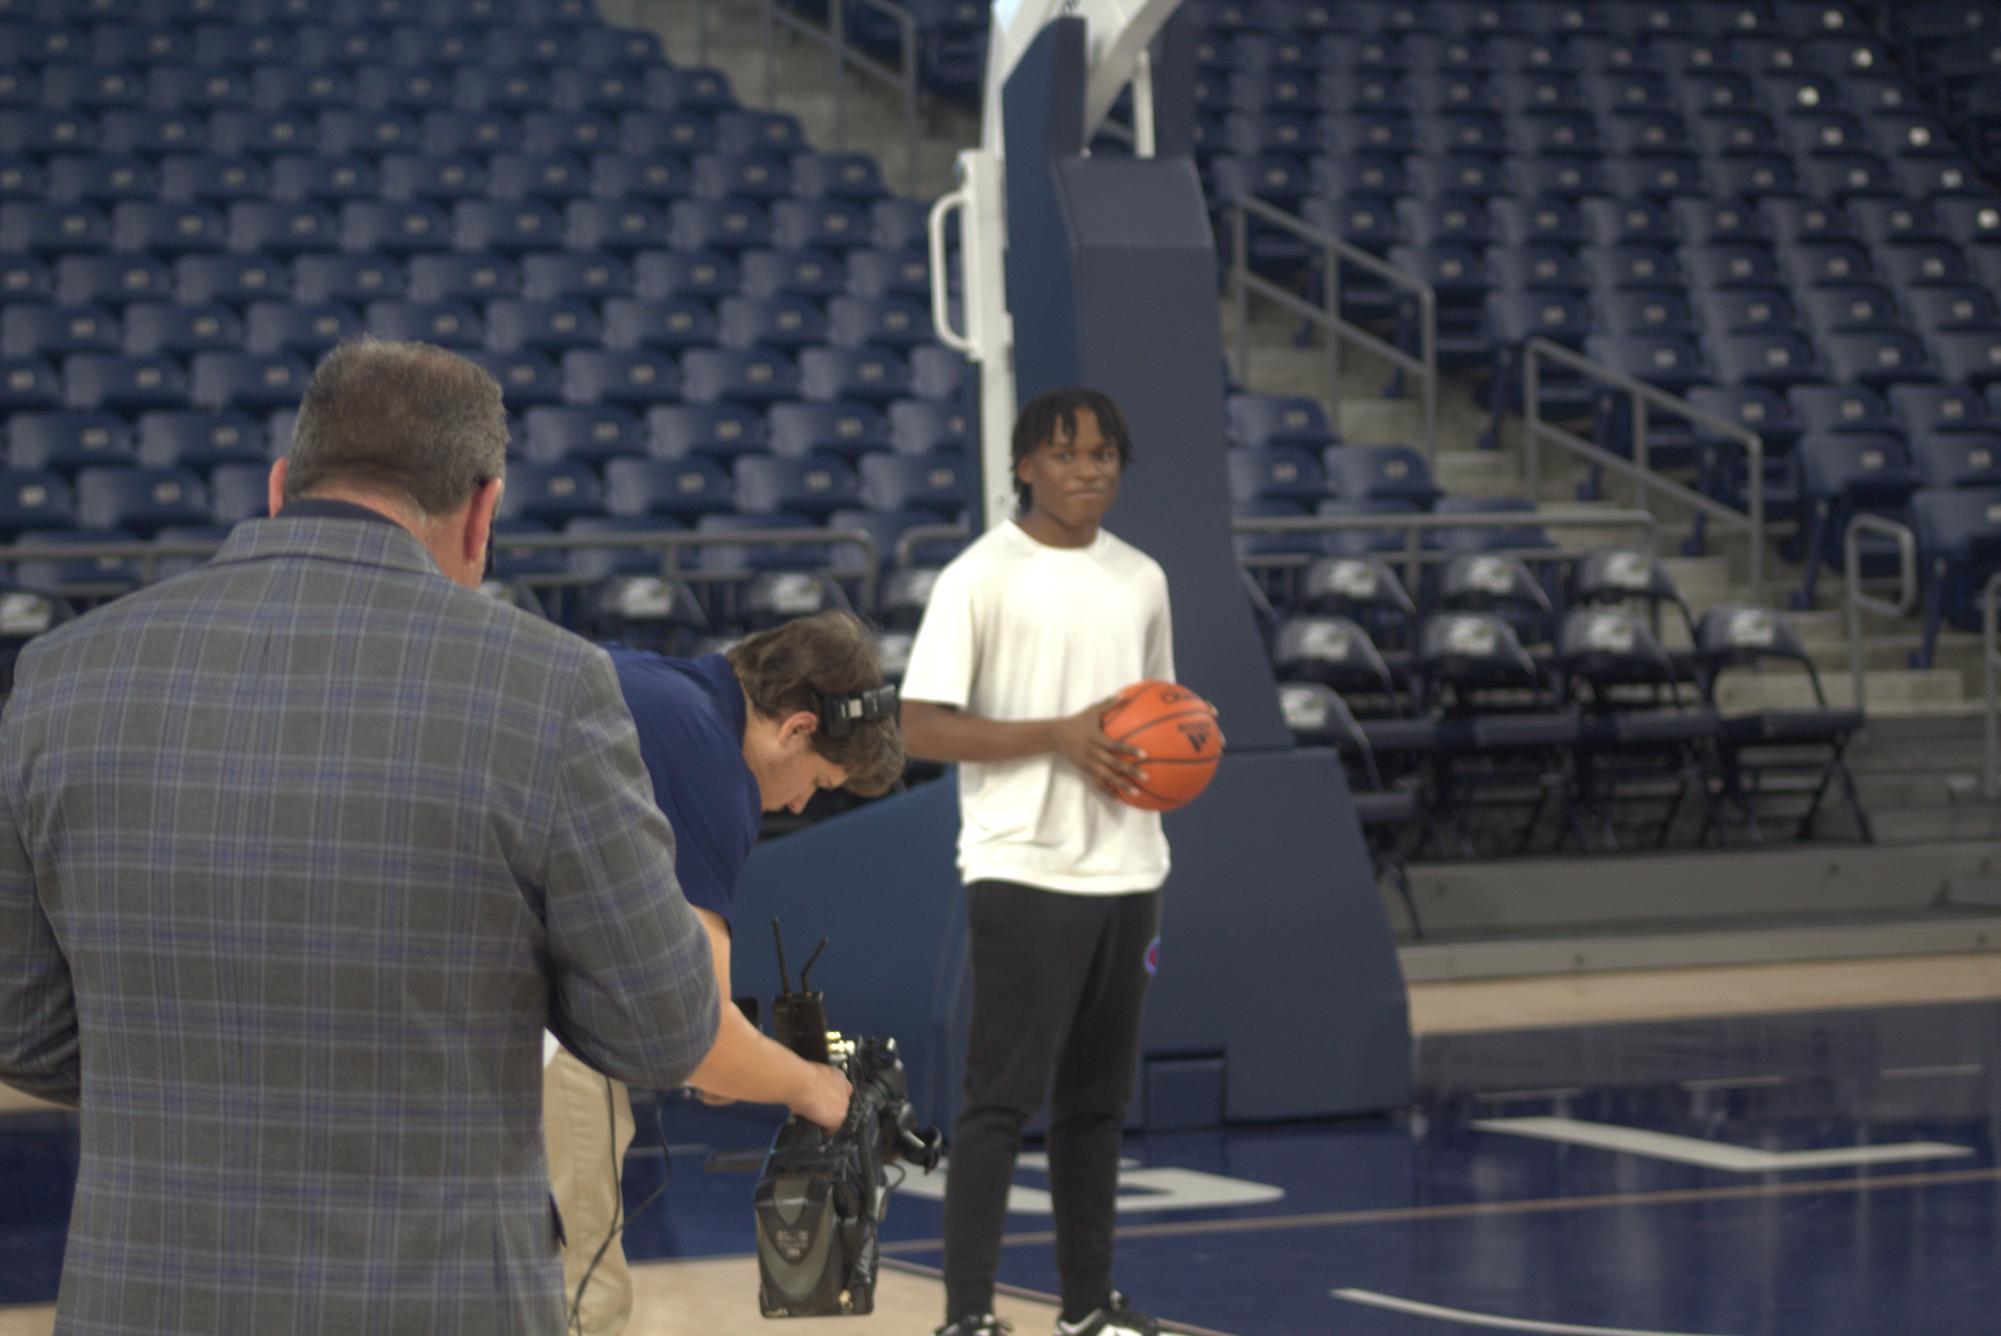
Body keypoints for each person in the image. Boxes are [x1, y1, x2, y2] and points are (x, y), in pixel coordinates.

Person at [0, 339, 722, 1335]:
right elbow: (665, 1028)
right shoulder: (550, 687)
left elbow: (24, 1032)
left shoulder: (59, 674)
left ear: (282, 486)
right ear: (482, 511)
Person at [901, 387, 1192, 1336]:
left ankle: (1084, 1309)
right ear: (1025, 465)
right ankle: (969, 1315)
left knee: (1098, 1108)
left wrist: (1182, 750)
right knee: (998, 1104)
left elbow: (1161, 714)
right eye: (1067, 454)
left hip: (1129, 868)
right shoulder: (978, 577)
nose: (1089, 470)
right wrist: (1057, 738)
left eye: (1105, 454)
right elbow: (919, 726)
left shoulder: (1142, 579)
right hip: (1022, 865)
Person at [545, 609, 906, 1334]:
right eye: (818, 781)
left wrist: (732, 1053)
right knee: (581, 1295)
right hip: (531, 1033)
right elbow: (702, 1045)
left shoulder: (646, 682)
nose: (801, 802)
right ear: (797, 727)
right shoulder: (711, 759)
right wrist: (817, 1092)